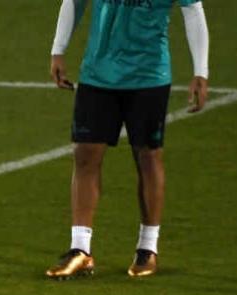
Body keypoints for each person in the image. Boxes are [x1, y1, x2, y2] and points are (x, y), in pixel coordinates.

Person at [45, 0, 210, 278]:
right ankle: (80, 249)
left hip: (148, 76)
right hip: (98, 74)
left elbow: (193, 10)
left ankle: (147, 247)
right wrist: (58, 50)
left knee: (148, 156)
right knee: (85, 154)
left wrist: (200, 71)